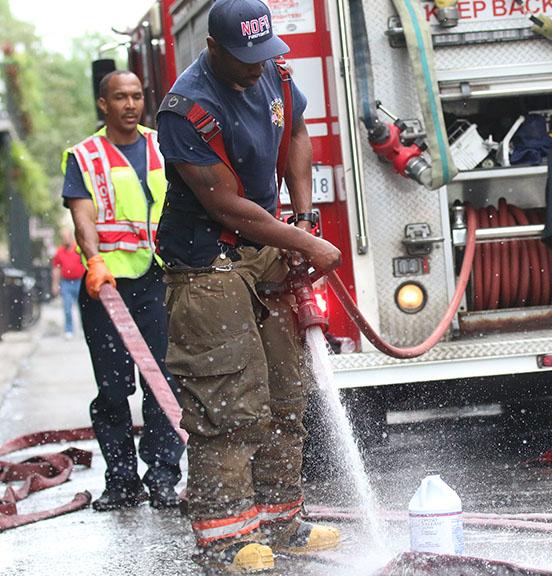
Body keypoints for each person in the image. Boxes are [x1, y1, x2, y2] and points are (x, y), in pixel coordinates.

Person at [155, 0, 342, 571]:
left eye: (265, 55)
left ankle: (283, 521)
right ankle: (226, 536)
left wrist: (305, 217)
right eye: (245, 59)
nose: (258, 68)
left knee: (288, 390)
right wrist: (303, 244)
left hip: (265, 248)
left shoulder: (274, 74)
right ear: (212, 49)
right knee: (228, 398)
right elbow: (223, 204)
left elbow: (298, 131)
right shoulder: (186, 110)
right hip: (206, 262)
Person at [61, 70, 185, 511]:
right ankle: (122, 481)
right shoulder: (85, 155)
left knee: (163, 385)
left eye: (136, 96)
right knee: (114, 391)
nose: (130, 105)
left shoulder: (160, 144)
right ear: (103, 104)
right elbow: (83, 215)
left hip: (158, 282)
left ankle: (164, 478)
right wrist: (93, 260)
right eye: (120, 98)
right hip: (107, 290)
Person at [51, 228, 86, 338]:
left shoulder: (78, 249)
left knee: (83, 306)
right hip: (66, 282)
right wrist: (55, 285)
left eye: (66, 236)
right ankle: (69, 329)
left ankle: (84, 328)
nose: (65, 239)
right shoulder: (59, 252)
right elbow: (56, 269)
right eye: (63, 237)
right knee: (67, 307)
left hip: (80, 281)